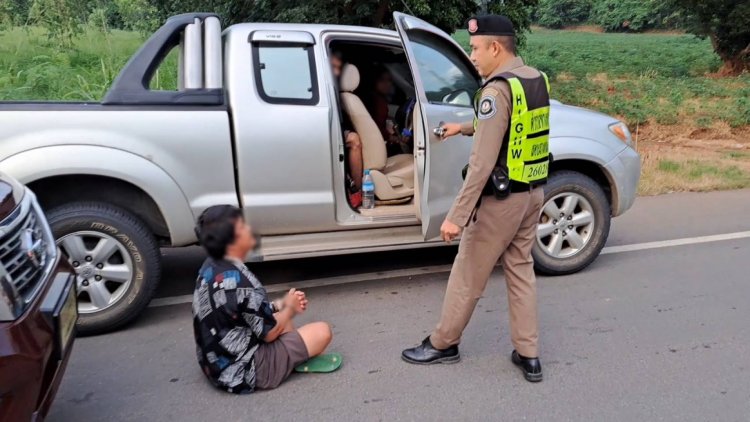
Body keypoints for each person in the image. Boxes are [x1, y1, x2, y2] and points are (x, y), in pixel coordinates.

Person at [401, 15, 551, 383]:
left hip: (501, 203)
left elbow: (481, 164)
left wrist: (456, 215)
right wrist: (465, 126)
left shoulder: (495, 91)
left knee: (467, 274)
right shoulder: (533, 79)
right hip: (533, 193)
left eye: (475, 48)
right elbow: (511, 127)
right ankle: (529, 354)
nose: (473, 56)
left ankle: (443, 343)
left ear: (495, 47)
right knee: (521, 273)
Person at [192, 205, 333, 393]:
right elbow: (270, 334)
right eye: (242, 227)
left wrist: (281, 305)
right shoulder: (241, 281)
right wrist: (289, 308)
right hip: (245, 372)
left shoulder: (210, 267)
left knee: (286, 323)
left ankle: (293, 352)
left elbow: (243, 312)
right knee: (322, 331)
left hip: (215, 365)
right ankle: (288, 362)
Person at [331, 51, 364, 197]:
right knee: (354, 139)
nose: (337, 72)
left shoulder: (337, 92)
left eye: (339, 68)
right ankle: (357, 190)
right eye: (333, 67)